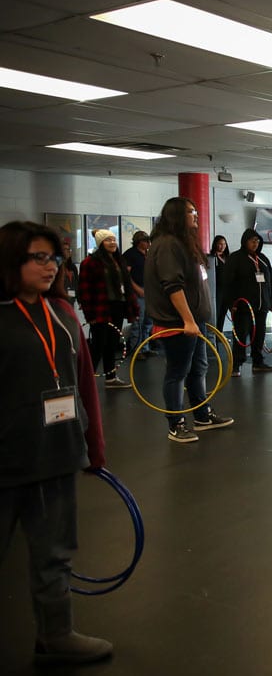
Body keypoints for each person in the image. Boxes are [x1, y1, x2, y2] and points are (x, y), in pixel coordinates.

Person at [0, 221, 112, 665]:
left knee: (55, 555)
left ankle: (55, 635)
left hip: (57, 455)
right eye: (38, 258)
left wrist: (94, 446)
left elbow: (84, 383)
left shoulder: (63, 315)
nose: (50, 268)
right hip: (6, 461)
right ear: (13, 261)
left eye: (55, 259)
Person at [145, 197, 234, 443]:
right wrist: (187, 320)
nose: (196, 215)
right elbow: (172, 286)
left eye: (196, 210)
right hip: (179, 323)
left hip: (195, 322)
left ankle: (202, 415)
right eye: (190, 212)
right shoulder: (166, 245)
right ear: (176, 216)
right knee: (177, 373)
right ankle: (176, 424)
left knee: (199, 368)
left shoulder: (184, 244)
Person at [78, 229, 138, 388]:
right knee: (98, 344)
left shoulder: (118, 261)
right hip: (100, 308)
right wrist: (89, 315)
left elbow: (126, 286)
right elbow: (84, 291)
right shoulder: (89, 263)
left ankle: (111, 378)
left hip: (117, 306)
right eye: (108, 240)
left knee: (112, 343)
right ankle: (85, 380)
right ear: (100, 243)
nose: (112, 243)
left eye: (114, 239)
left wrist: (133, 308)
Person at [224, 228, 272, 376]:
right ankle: (237, 364)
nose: (255, 243)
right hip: (243, 307)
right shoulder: (235, 258)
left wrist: (271, 300)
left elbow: (271, 280)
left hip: (262, 306)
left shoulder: (263, 259)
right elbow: (228, 282)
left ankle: (257, 362)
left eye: (257, 241)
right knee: (241, 336)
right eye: (252, 241)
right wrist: (231, 303)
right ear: (245, 241)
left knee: (259, 335)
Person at [122, 230, 154, 357]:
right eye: (146, 241)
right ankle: (136, 350)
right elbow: (126, 275)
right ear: (139, 242)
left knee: (148, 322)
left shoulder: (147, 255)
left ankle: (145, 347)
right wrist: (137, 289)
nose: (148, 244)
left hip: (149, 291)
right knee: (138, 322)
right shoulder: (130, 255)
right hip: (138, 291)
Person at [208, 235, 231, 333]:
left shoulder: (227, 257)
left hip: (227, 290)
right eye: (220, 244)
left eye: (224, 244)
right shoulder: (212, 257)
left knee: (223, 312)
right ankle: (214, 334)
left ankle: (219, 334)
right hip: (216, 290)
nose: (222, 246)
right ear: (216, 244)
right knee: (216, 313)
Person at [59, 236, 79, 309]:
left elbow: (77, 282)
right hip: (59, 299)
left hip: (71, 298)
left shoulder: (72, 267)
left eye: (68, 249)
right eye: (64, 249)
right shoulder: (56, 266)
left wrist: (79, 300)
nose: (67, 252)